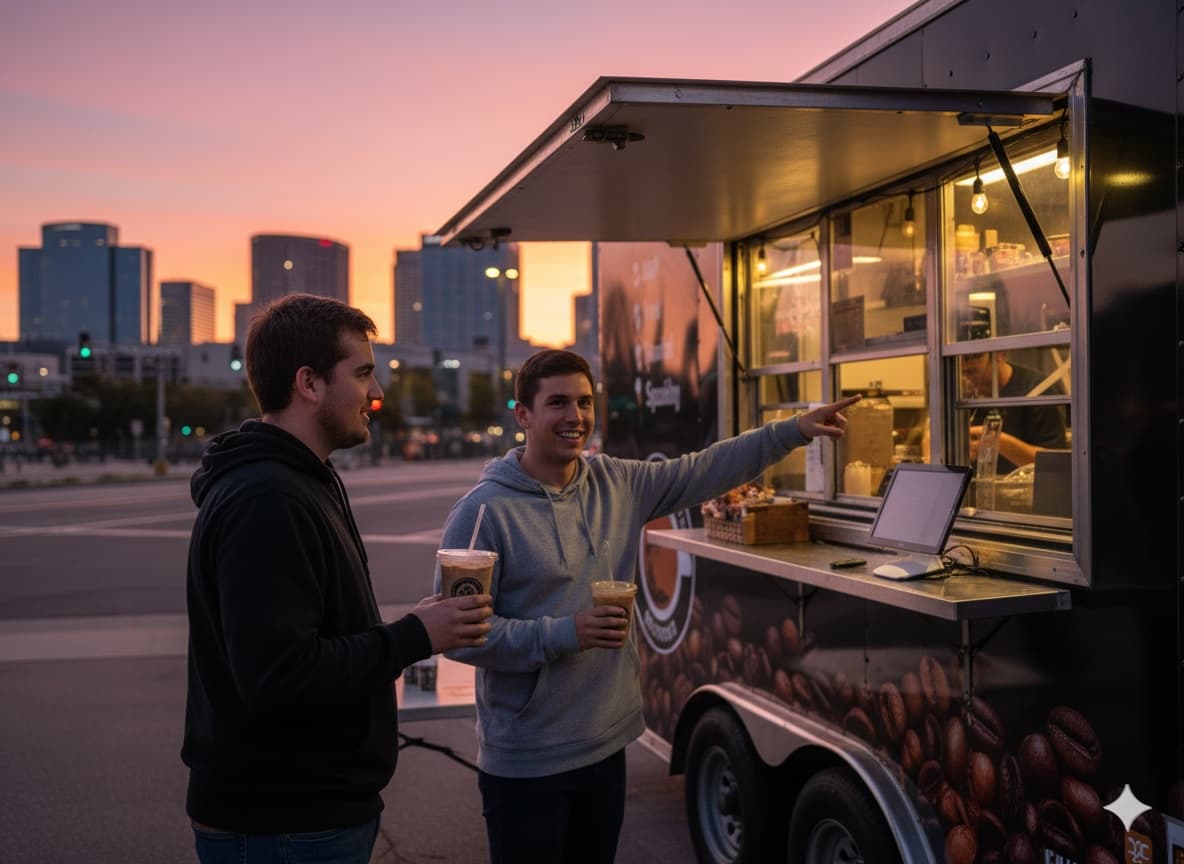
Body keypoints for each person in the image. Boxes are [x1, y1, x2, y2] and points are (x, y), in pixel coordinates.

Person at [438, 348, 859, 864]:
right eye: (558, 403)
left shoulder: (617, 483)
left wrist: (792, 431)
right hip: (528, 760)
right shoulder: (483, 511)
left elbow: (703, 469)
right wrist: (564, 633)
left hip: (606, 742)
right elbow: (459, 637)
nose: (576, 417)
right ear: (523, 415)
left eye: (585, 402)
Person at [182, 293, 492, 864]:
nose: (377, 394)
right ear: (309, 382)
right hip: (282, 826)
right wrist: (414, 636)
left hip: (306, 814)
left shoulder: (304, 478)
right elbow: (281, 676)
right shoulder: (267, 499)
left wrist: (419, 628)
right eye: (364, 373)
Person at [962, 349, 1068, 474]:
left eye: (972, 372)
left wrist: (998, 441)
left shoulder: (1039, 392)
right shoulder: (966, 394)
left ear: (999, 355)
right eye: (961, 373)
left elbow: (1057, 464)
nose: (967, 381)